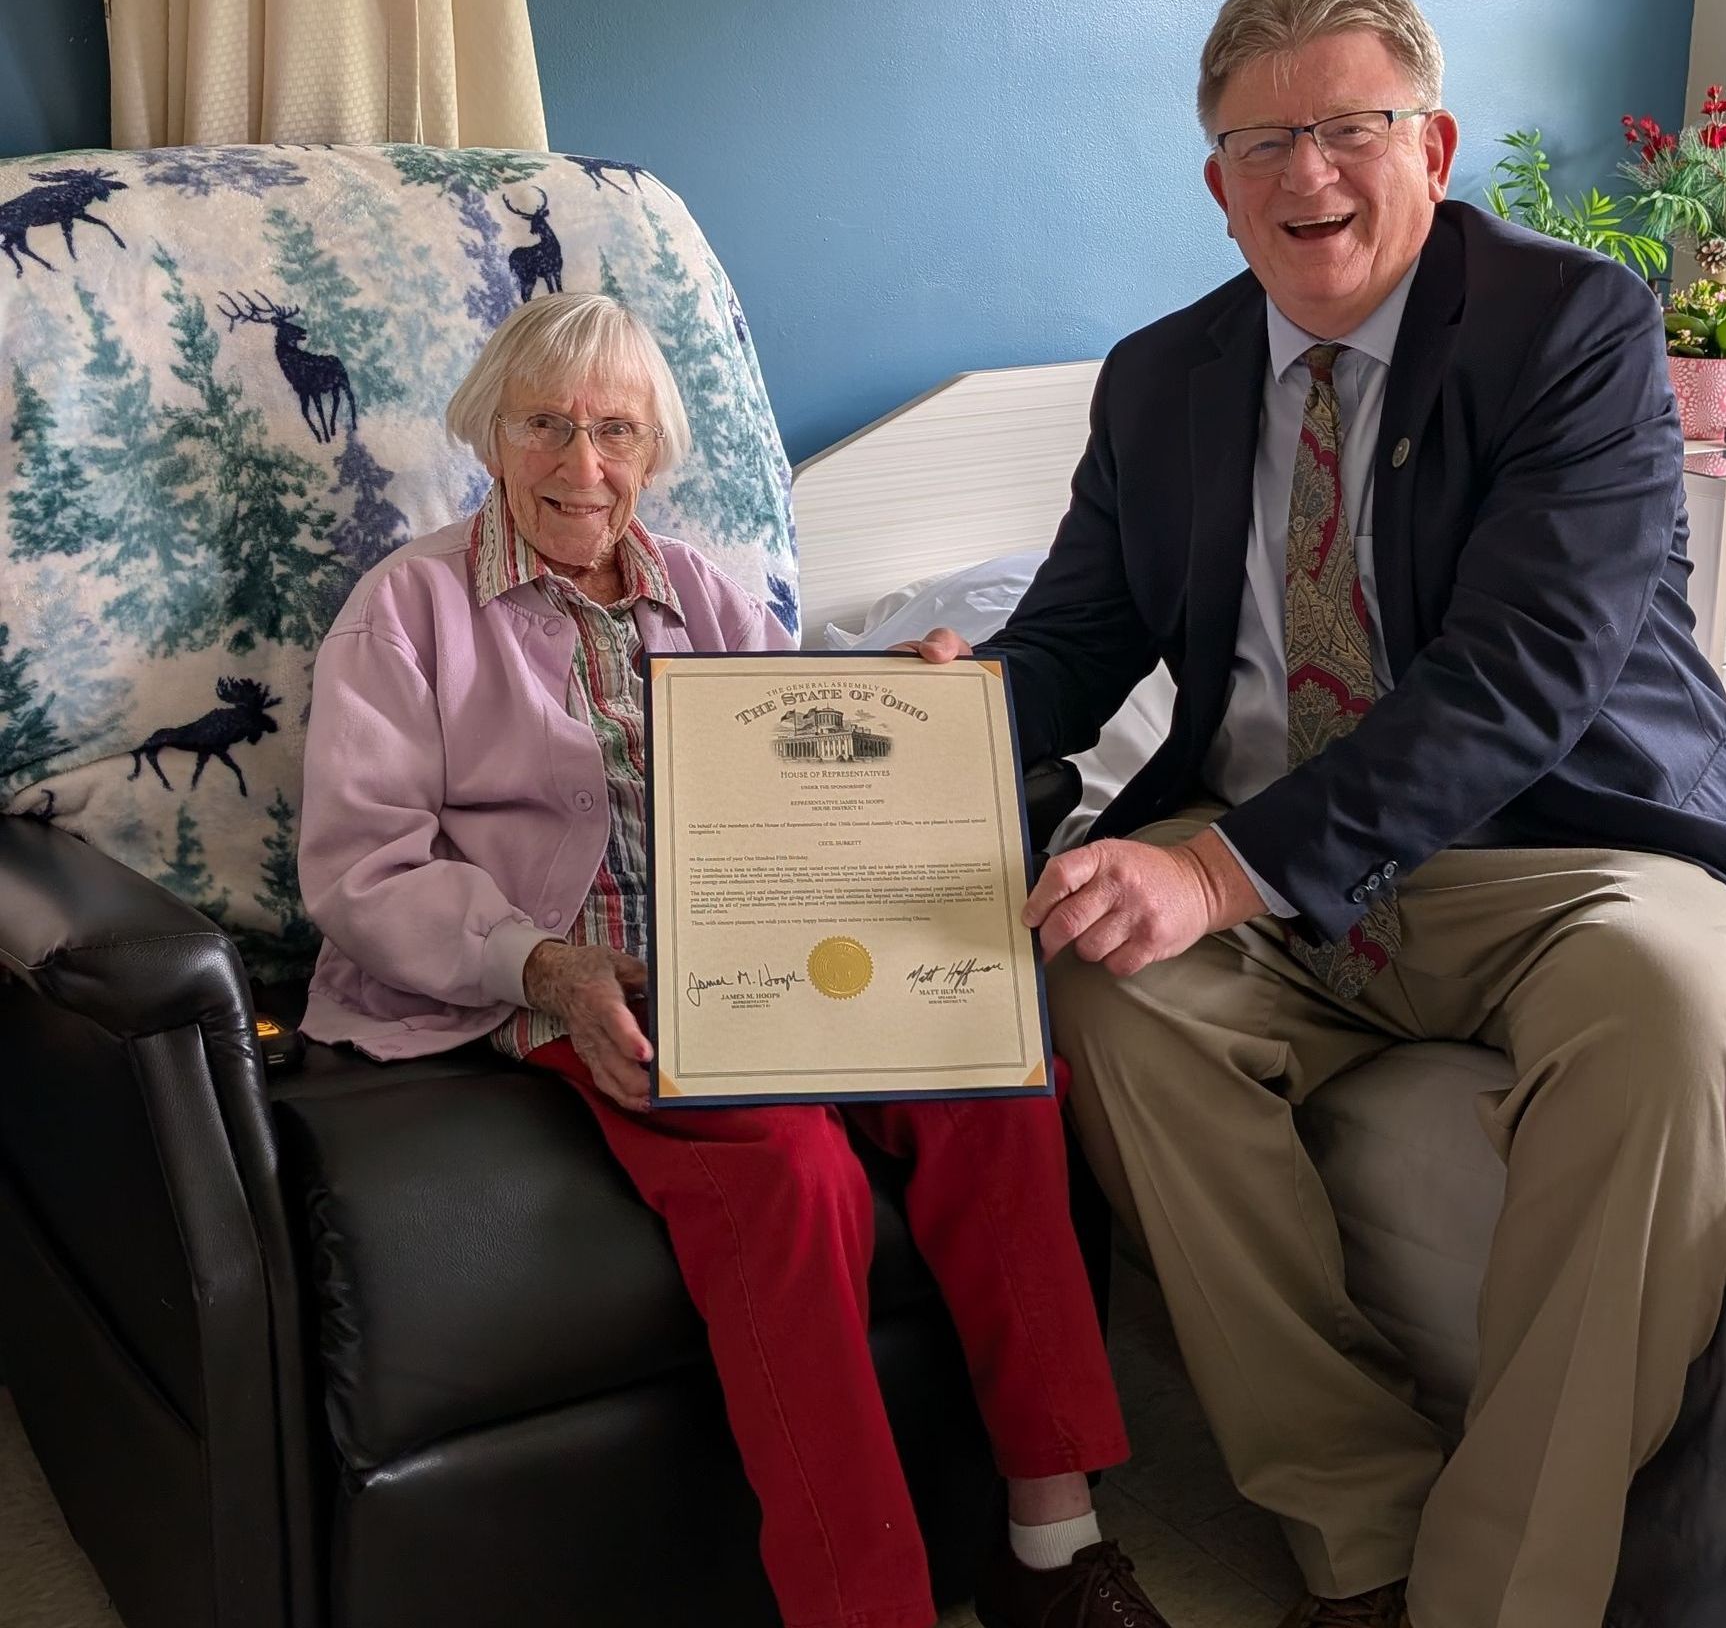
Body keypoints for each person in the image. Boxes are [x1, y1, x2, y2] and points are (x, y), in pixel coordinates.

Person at [903, 0, 1726, 1628]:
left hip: (1569, 844)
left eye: (1351, 128)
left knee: (1667, 1009)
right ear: (1214, 185)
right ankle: (1360, 1533)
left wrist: (1219, 875)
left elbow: (1524, 673)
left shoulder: (1573, 328)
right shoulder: (1157, 380)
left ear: (1432, 143)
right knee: (1091, 983)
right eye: (1262, 141)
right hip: (1276, 857)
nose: (1309, 174)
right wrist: (947, 714)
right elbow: (1077, 640)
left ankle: (1495, 1597)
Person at [297, 291, 1179, 1628]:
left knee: (1000, 1079)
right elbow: (359, 871)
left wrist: (902, 706)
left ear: (653, 452)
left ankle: (1051, 1539)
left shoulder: (706, 591)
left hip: (757, 964)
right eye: (545, 425)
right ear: (490, 434)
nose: (580, 466)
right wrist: (547, 969)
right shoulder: (407, 610)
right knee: (786, 1165)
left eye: (614, 431)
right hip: (555, 980)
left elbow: (794, 774)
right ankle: (860, 1601)